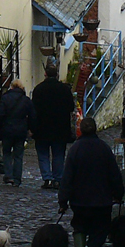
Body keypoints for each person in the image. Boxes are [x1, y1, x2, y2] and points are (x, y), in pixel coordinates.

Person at [58, 116, 124, 247]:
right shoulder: (104, 149)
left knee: (79, 227)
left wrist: (63, 200)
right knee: (98, 232)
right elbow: (114, 175)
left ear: (81, 130)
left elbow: (67, 178)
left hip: (79, 201)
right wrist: (118, 194)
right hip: (102, 201)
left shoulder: (75, 149)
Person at [31, 58, 75, 189]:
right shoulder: (64, 89)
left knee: (43, 154)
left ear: (45, 74)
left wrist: (32, 127)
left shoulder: (38, 89)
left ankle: (47, 178)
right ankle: (57, 179)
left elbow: (34, 110)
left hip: (42, 127)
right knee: (58, 154)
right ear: (56, 75)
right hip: (60, 128)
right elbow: (71, 107)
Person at [0, 79, 34, 186]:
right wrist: (29, 128)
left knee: (6, 153)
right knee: (18, 155)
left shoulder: (5, 98)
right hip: (20, 131)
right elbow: (33, 115)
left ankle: (8, 175)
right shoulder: (26, 100)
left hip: (7, 130)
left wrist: (3, 124)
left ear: (11, 87)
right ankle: (17, 178)